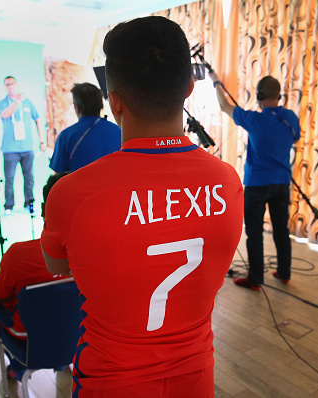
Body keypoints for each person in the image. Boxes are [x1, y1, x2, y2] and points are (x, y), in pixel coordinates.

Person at [41, 16, 244, 398]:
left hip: (110, 382)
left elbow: (57, 267)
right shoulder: (228, 182)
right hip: (196, 377)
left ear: (113, 101)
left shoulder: (71, 194)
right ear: (188, 87)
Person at [209, 71, 301, 290]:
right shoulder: (290, 118)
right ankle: (284, 273)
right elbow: (295, 138)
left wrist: (216, 82)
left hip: (257, 184)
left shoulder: (254, 119)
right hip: (281, 183)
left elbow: (224, 106)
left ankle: (256, 279)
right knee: (281, 230)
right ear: (279, 95)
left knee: (255, 233)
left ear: (259, 95)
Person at [0, 172, 71, 379]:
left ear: (43, 209)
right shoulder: (98, 252)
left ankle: (17, 367)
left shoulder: (18, 255)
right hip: (84, 336)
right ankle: (64, 359)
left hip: (30, 341)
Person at [0, 76, 47, 216]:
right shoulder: (2, 103)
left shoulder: (28, 103)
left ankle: (28, 204)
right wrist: (16, 102)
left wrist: (41, 140)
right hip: (10, 149)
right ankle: (8, 206)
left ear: (17, 85)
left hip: (27, 148)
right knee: (9, 178)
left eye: (13, 84)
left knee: (29, 178)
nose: (11, 86)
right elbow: (5, 115)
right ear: (5, 87)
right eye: (8, 84)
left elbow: (37, 119)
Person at [49, 83, 121, 173]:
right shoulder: (119, 132)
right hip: (115, 186)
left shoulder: (66, 136)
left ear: (77, 108)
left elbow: (57, 174)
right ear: (101, 106)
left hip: (79, 187)